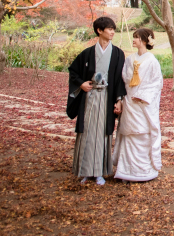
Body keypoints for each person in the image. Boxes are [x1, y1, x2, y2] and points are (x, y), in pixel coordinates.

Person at [66, 16, 127, 185]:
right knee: (87, 132)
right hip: (89, 98)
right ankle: (85, 171)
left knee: (102, 134)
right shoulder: (87, 53)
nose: (112, 32)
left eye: (113, 29)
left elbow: (120, 80)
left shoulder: (117, 53)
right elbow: (73, 72)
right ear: (99, 31)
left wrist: (119, 100)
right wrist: (82, 84)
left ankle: (99, 171)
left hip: (106, 98)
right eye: (109, 29)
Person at [113, 28, 163, 182]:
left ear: (143, 40)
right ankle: (126, 171)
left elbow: (156, 83)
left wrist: (142, 96)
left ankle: (143, 171)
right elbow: (122, 81)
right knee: (128, 135)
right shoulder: (129, 59)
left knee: (142, 134)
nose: (133, 40)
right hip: (129, 102)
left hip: (142, 104)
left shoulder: (152, 61)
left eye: (136, 37)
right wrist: (121, 99)